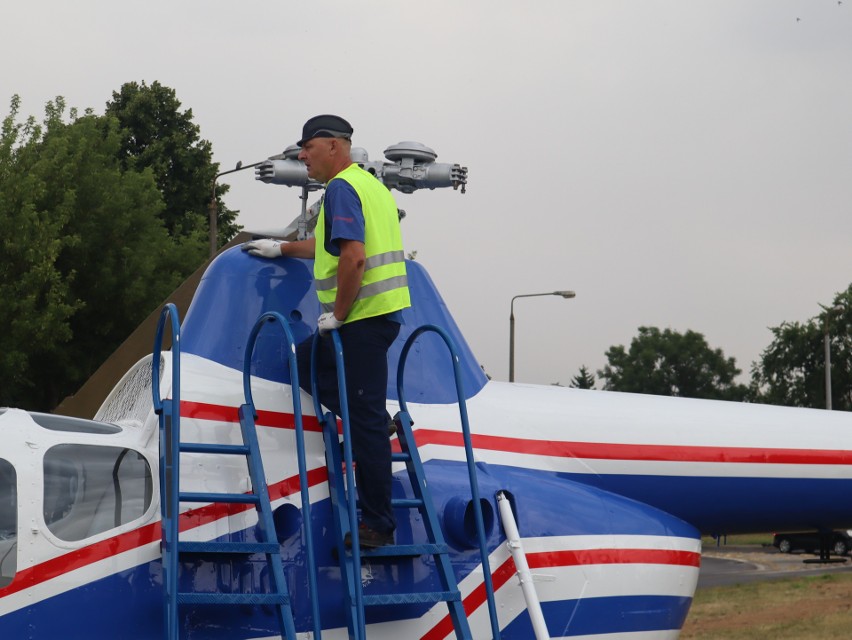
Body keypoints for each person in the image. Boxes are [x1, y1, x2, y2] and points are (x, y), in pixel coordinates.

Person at [243, 114, 410, 548]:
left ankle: (379, 526)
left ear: (334, 146)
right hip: (378, 317)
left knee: (363, 422)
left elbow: (353, 257)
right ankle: (376, 422)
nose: (302, 156)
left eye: (308, 148)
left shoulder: (341, 189)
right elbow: (326, 245)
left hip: (362, 320)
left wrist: (338, 313)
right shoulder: (370, 186)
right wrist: (280, 247)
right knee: (304, 365)